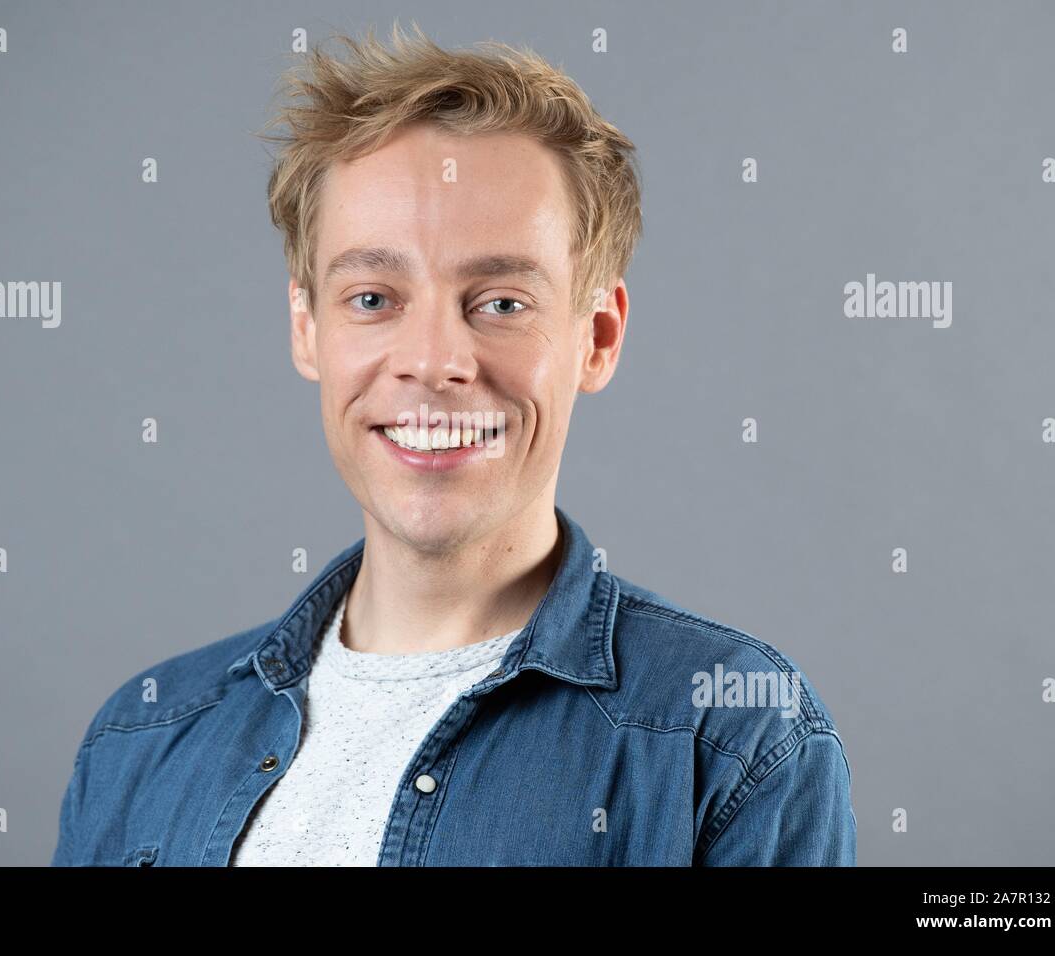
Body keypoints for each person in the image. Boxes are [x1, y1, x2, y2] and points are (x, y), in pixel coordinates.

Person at [52, 22, 856, 867]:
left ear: (599, 337)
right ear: (307, 328)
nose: (434, 362)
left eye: (502, 302)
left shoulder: (736, 736)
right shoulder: (139, 741)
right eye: (372, 298)